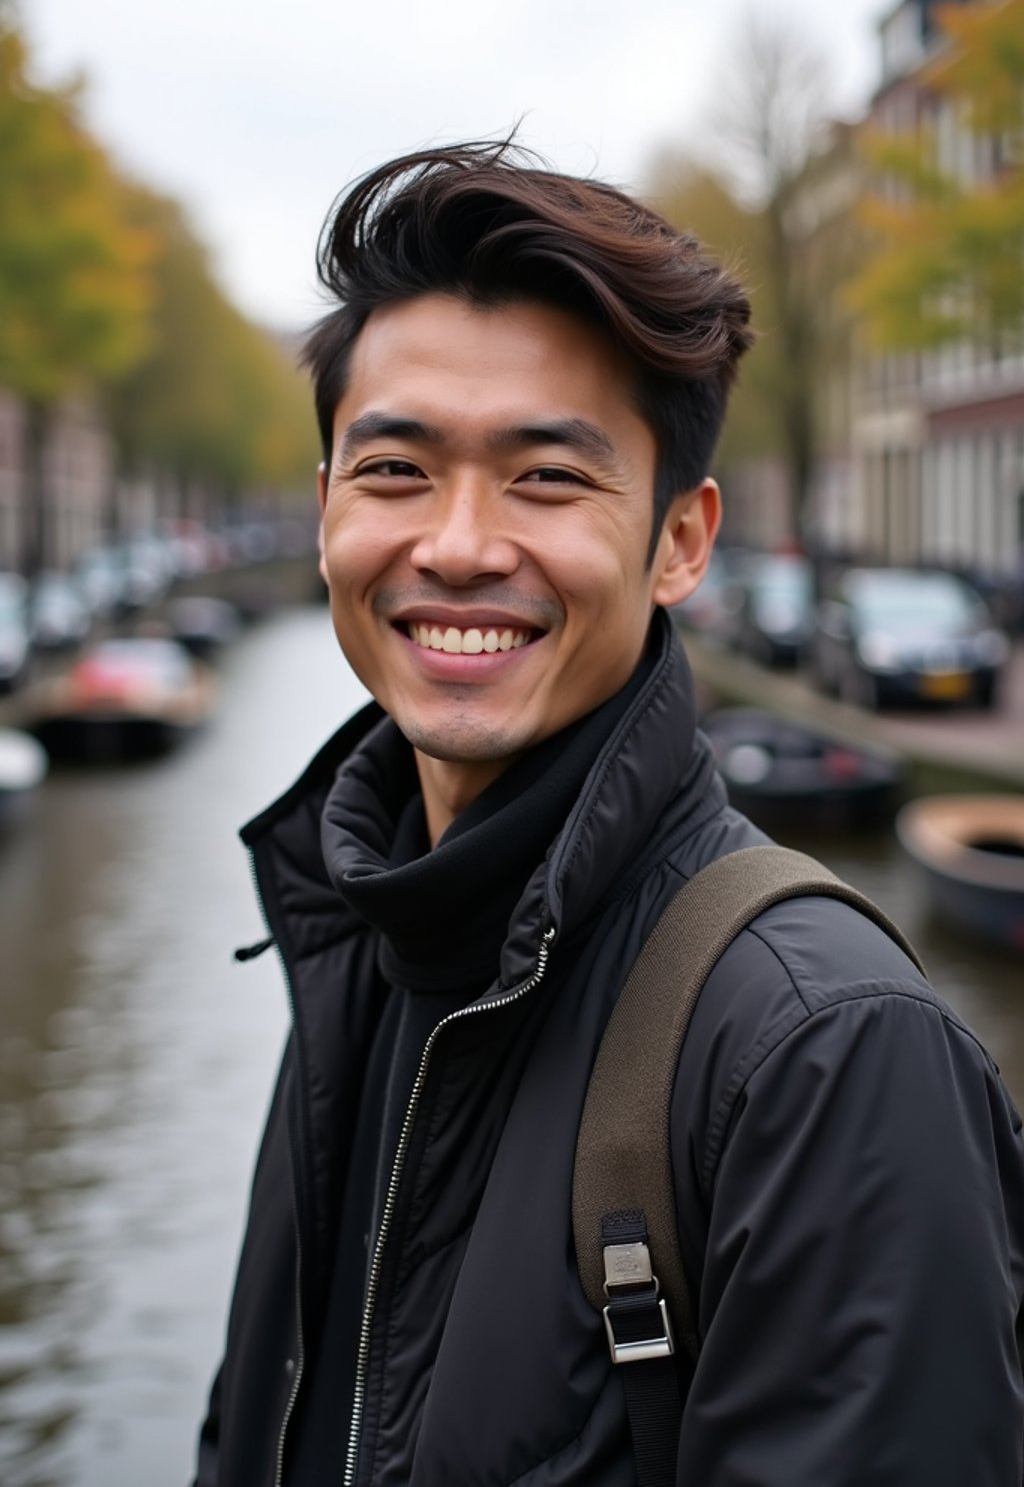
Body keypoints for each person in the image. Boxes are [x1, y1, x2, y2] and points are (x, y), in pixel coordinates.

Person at [193, 142, 1024, 1487]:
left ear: (681, 542)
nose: (457, 543)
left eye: (547, 477)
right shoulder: (355, 939)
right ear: (328, 508)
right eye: (395, 469)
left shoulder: (827, 1054)